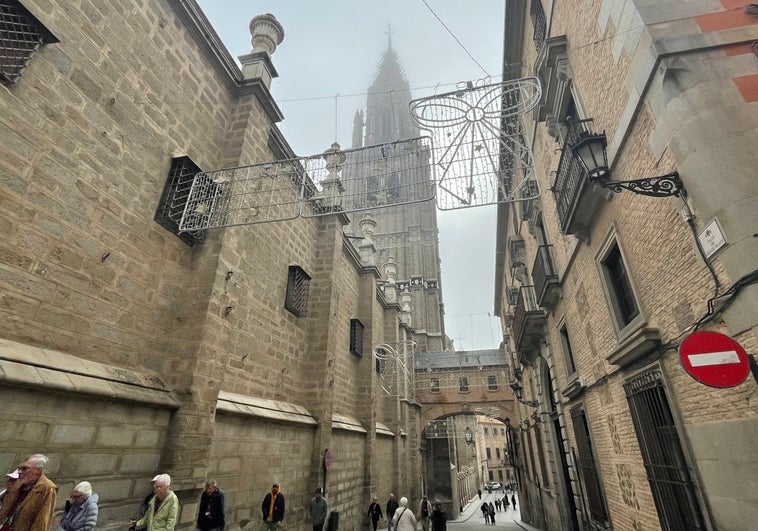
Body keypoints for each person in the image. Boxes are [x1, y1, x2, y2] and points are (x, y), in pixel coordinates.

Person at [0, 453, 58, 531]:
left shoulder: (47, 488)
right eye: (20, 468)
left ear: (39, 470)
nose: (20, 472)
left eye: (25, 468)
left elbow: (43, 519)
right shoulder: (21, 483)